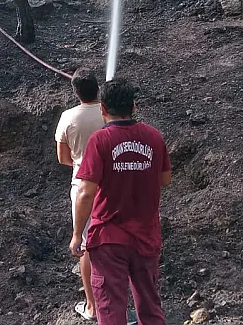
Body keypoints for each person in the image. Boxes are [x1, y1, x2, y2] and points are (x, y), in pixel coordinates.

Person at [70, 79, 172, 325]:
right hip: (146, 235)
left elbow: (85, 193)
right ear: (134, 107)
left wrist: (76, 234)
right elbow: (165, 179)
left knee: (110, 308)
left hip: (108, 237)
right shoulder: (153, 137)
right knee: (150, 305)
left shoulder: (100, 140)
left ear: (103, 109)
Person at [55, 68, 105, 321]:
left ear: (76, 92)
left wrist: (80, 161)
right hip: (112, 185)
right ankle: (117, 303)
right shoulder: (109, 112)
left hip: (82, 185)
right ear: (98, 88)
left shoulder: (68, 117)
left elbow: (63, 158)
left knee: (85, 245)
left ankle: (92, 306)